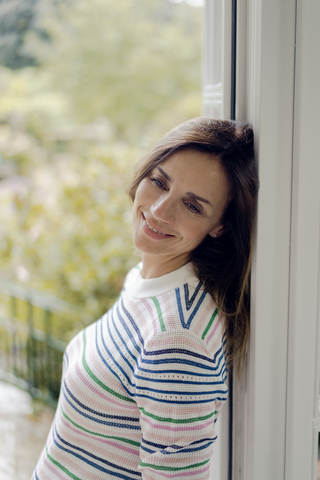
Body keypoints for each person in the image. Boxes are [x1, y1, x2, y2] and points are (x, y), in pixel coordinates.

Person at [32, 117, 258, 480]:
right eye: (159, 182)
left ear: (221, 226)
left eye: (193, 206)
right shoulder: (149, 279)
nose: (158, 210)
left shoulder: (178, 339)